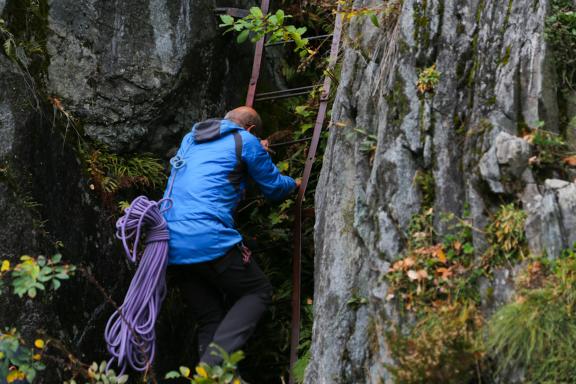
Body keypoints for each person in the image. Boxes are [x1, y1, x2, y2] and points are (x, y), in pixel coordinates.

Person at [163, 106, 299, 368]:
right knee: (258, 291)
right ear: (249, 129)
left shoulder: (191, 139)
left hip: (170, 242)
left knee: (210, 316)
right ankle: (209, 371)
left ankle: (209, 375)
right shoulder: (246, 140)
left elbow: (213, 178)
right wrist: (293, 183)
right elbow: (274, 189)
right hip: (207, 237)